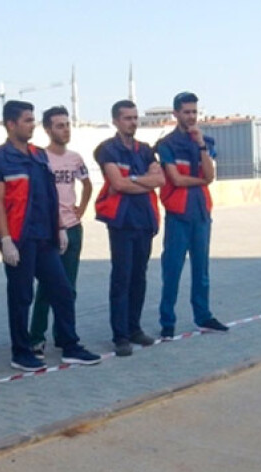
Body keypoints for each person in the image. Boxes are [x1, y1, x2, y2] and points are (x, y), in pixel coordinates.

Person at [0, 100, 101, 370]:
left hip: (45, 236)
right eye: (27, 120)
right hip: (18, 238)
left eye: (32, 119)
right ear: (11, 124)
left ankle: (70, 345)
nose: (32, 125)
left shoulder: (38, 156)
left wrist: (59, 227)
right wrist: (5, 240)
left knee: (62, 290)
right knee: (22, 295)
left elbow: (49, 195)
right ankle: (21, 351)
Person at [156, 92, 229, 337]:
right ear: (175, 113)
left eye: (194, 112)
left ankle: (203, 316)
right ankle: (167, 321)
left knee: (202, 269)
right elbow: (175, 179)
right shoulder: (166, 145)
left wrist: (200, 146)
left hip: (201, 213)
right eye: (186, 112)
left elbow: (211, 174)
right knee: (172, 269)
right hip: (178, 214)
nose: (191, 116)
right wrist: (201, 180)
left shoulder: (206, 141)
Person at [94, 101, 162, 357]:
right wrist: (143, 181)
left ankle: (135, 328)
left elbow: (160, 179)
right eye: (127, 118)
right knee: (121, 278)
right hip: (121, 222)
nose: (132, 122)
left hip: (144, 220)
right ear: (115, 121)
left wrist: (132, 180)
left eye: (135, 118)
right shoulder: (106, 150)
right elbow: (116, 184)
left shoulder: (145, 150)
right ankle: (120, 335)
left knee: (139, 277)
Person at [32, 106, 95, 355]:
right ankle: (36, 337)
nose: (65, 129)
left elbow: (87, 184)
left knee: (69, 287)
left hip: (72, 228)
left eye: (67, 124)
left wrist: (81, 209)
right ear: (47, 129)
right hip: (48, 232)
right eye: (59, 125)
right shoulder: (40, 158)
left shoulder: (76, 158)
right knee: (47, 287)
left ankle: (65, 336)